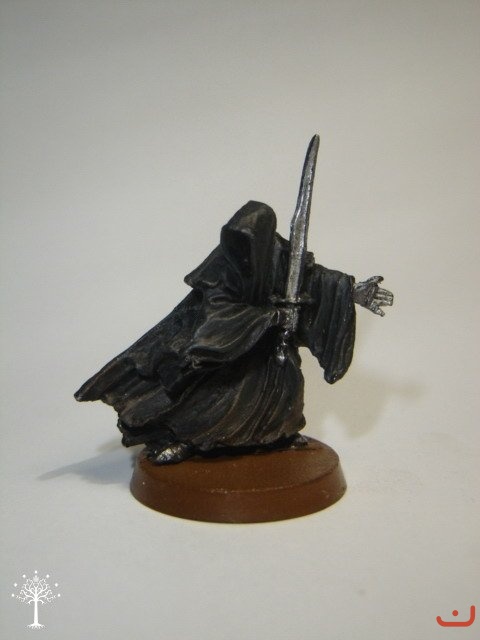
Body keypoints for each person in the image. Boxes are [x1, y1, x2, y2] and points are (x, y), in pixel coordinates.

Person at [75, 200, 393, 464]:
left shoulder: (282, 256)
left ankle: (277, 435)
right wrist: (273, 315)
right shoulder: (221, 269)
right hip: (227, 351)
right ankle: (186, 441)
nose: (245, 252)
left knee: (284, 391)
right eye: (238, 242)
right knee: (210, 401)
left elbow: (313, 279)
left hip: (270, 351)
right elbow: (221, 312)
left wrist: (352, 291)